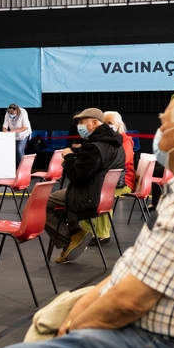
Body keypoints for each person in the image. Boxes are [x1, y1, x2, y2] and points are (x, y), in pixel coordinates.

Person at [0, 89, 174, 348]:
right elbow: (136, 269)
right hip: (172, 324)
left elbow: (131, 301)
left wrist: (73, 324)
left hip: (159, 336)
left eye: (164, 125)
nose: (159, 133)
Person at [45, 108, 125, 264]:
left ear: (94, 123)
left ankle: (72, 238)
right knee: (60, 198)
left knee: (43, 203)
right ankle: (75, 233)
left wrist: (68, 156)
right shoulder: (116, 143)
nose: (78, 126)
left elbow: (76, 176)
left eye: (81, 122)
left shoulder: (95, 146)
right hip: (104, 196)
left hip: (89, 196)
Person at [80, 111, 134, 245]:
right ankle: (86, 234)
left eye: (110, 123)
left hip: (123, 182)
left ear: (118, 125)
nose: (107, 126)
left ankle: (103, 234)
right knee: (84, 194)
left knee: (103, 195)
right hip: (106, 179)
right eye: (105, 123)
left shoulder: (125, 141)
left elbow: (121, 161)